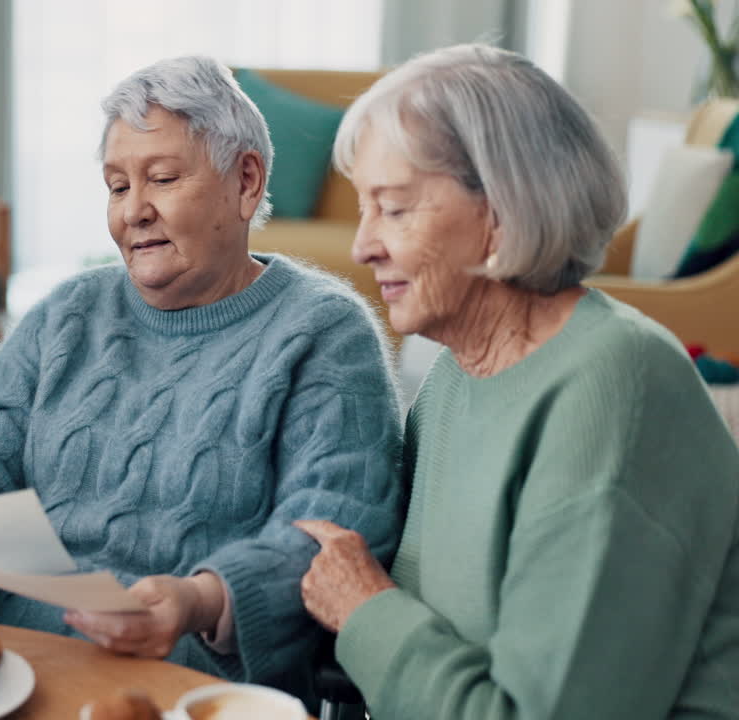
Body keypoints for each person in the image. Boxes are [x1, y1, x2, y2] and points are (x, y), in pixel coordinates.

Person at [0, 56, 404, 699]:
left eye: (161, 178)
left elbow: (331, 532)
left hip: (183, 685)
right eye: (116, 186)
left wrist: (198, 600)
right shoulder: (67, 312)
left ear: (246, 181)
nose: (133, 211)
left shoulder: (324, 332)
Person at [297, 43, 739, 719]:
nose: (362, 246)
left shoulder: (615, 385)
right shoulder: (448, 380)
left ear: (500, 211)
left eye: (393, 208)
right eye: (364, 209)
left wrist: (365, 611)